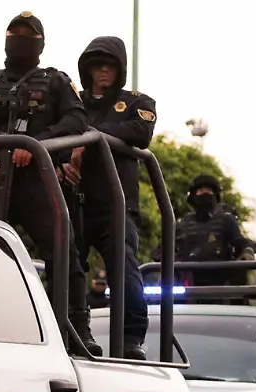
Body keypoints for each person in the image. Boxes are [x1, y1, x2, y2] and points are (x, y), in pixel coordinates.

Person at [0, 12, 94, 351]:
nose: (19, 40)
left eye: (28, 35)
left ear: (41, 43)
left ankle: (74, 328)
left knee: (63, 252)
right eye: (14, 33)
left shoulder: (55, 81)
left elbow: (77, 119)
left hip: (35, 182)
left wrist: (36, 144)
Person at [60, 35, 154, 359]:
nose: (102, 71)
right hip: (73, 201)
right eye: (96, 65)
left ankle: (131, 338)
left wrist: (91, 138)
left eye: (109, 65)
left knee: (124, 267)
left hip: (114, 204)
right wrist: (62, 162)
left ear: (120, 69)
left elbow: (141, 133)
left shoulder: (137, 102)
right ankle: (74, 330)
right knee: (66, 267)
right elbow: (53, 134)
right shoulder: (72, 103)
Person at [159, 175, 254, 288]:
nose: (204, 194)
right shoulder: (182, 224)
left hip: (221, 285)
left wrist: (247, 252)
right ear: (193, 196)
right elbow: (161, 250)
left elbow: (241, 243)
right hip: (188, 285)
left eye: (208, 191)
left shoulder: (226, 220)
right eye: (200, 191)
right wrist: (174, 263)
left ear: (215, 196)